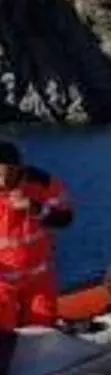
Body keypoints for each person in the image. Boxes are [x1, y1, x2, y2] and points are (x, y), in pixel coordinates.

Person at [0, 140, 73, 331]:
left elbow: (65, 217)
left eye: (8, 173)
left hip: (39, 280)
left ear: (19, 169)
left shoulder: (42, 183)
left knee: (42, 328)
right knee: (3, 326)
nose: (3, 182)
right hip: (3, 282)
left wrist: (37, 209)